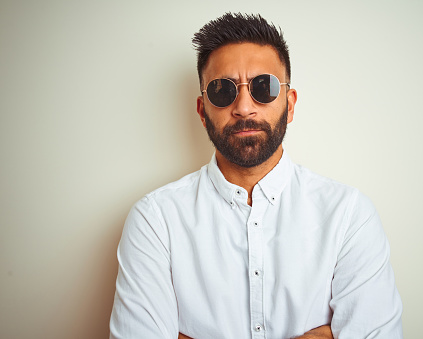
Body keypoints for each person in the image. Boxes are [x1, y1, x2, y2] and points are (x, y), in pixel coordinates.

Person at [109, 13, 403, 339]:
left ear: (289, 105)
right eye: (223, 90)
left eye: (264, 87)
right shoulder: (155, 221)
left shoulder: (349, 215)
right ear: (202, 111)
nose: (245, 107)